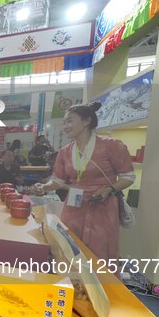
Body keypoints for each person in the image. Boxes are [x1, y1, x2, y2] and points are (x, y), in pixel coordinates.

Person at [34, 102, 135, 264]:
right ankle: (73, 286)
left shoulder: (112, 146)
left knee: (101, 251)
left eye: (70, 121)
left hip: (102, 205)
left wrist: (110, 189)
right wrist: (44, 187)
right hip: (73, 207)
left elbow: (128, 176)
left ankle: (100, 288)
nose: (65, 126)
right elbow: (58, 180)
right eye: (64, 123)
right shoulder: (64, 151)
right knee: (69, 247)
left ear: (87, 121)